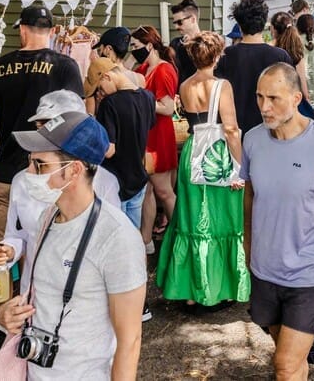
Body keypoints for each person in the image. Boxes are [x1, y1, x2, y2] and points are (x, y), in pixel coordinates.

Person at [0, 111, 146, 381]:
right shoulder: (47, 218)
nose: (28, 173)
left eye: (40, 165)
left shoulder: (117, 237)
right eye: (29, 163)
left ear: (74, 170)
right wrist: (8, 315)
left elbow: (130, 341)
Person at [242, 63, 314, 381]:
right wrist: (248, 247)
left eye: (274, 98)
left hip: (310, 278)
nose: (264, 107)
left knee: (284, 364)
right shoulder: (253, 140)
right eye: (259, 97)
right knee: (290, 360)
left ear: (296, 98)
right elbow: (251, 196)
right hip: (265, 272)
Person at [0, 90, 123, 303]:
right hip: (35, 296)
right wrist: (8, 250)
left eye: (53, 125)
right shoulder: (23, 181)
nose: (45, 133)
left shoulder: (103, 183)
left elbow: (113, 247)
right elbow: (18, 234)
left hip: (84, 301)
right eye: (40, 126)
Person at [0, 5, 83, 240]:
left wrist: (1, 109)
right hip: (48, 171)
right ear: (51, 31)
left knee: (2, 247)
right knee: (46, 242)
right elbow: (77, 118)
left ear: (22, 29)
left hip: (7, 169)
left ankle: (5, 277)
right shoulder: (64, 66)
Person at [156, 32, 250, 307]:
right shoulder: (222, 86)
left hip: (192, 149)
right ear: (218, 55)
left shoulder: (185, 85)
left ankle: (190, 289)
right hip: (216, 154)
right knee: (222, 219)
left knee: (191, 218)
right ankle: (215, 287)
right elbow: (231, 129)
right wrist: (239, 167)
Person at [86, 58, 155, 228]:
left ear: (107, 77)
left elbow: (108, 150)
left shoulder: (110, 104)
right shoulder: (148, 97)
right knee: (134, 238)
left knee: (116, 237)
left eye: (100, 88)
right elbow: (149, 126)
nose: (100, 94)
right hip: (138, 178)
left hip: (115, 181)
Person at [215, 0, 292, 134]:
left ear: (239, 25)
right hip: (271, 130)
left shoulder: (225, 56)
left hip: (233, 131)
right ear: (265, 24)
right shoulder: (280, 56)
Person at [130, 25, 179, 239]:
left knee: (163, 190)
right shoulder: (141, 70)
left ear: (149, 45)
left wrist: (144, 102)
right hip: (145, 135)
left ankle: (180, 235)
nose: (132, 49)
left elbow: (167, 108)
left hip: (159, 134)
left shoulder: (164, 70)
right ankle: (146, 238)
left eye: (135, 45)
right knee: (147, 191)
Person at [270, 11, 311, 102]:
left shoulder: (269, 49)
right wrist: (306, 98)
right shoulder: (296, 51)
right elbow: (302, 81)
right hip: (290, 99)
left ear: (273, 29)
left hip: (273, 97)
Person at [170, 0, 202, 84]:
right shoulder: (175, 44)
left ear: (193, 19)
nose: (176, 27)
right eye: (175, 23)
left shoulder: (207, 44)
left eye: (179, 22)